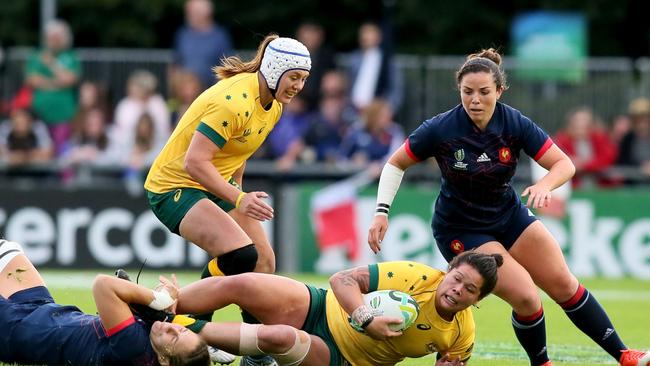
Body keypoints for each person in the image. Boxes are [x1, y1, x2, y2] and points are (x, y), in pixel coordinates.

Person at [366, 48, 650, 366]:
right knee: (528, 299)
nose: (475, 99)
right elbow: (395, 163)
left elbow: (563, 164)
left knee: (565, 285)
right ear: (459, 90)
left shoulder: (514, 122)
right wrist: (381, 211)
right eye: (467, 92)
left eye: (484, 92)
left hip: (509, 214)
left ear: (499, 91)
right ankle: (541, 363)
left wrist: (544, 185)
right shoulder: (440, 128)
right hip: (461, 228)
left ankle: (625, 355)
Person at [144, 34, 311, 366]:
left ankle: (255, 353)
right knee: (240, 254)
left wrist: (239, 194)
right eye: (294, 77)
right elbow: (194, 162)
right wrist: (238, 198)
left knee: (264, 263)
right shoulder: (234, 100)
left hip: (212, 184)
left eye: (304, 79)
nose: (299, 86)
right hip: (174, 185)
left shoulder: (273, 104)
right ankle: (188, 322)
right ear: (275, 71)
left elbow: (239, 151)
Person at [175, 250, 503, 366]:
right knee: (244, 283)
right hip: (318, 307)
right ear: (449, 270)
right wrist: (365, 317)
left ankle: (177, 331)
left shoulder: (461, 335)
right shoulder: (417, 277)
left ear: (477, 301)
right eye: (457, 279)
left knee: (280, 338)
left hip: (342, 359)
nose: (458, 290)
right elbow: (342, 279)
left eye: (470, 290)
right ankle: (156, 305)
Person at [0, 238, 210, 365]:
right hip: (40, 311)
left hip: (15, 331)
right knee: (6, 250)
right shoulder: (153, 347)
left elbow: (103, 285)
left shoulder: (134, 347)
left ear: (163, 361)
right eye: (182, 330)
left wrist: (161, 298)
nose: (171, 328)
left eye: (173, 338)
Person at [25, 18, 81, 156]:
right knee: (41, 149)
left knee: (61, 150)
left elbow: (70, 79)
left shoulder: (71, 57)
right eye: (51, 37)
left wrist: (51, 63)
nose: (53, 41)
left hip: (63, 114)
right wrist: (57, 83)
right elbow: (32, 80)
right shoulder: (37, 56)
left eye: (57, 37)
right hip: (39, 114)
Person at [172, 0, 233, 90]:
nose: (188, 15)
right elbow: (175, 65)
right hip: (184, 94)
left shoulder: (220, 37)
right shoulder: (182, 34)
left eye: (192, 12)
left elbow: (227, 68)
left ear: (206, 13)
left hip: (210, 92)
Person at [554, 107, 618, 188]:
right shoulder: (562, 141)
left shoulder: (599, 138)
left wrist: (584, 165)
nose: (581, 127)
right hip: (573, 186)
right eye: (577, 123)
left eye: (584, 124)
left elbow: (607, 158)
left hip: (600, 185)